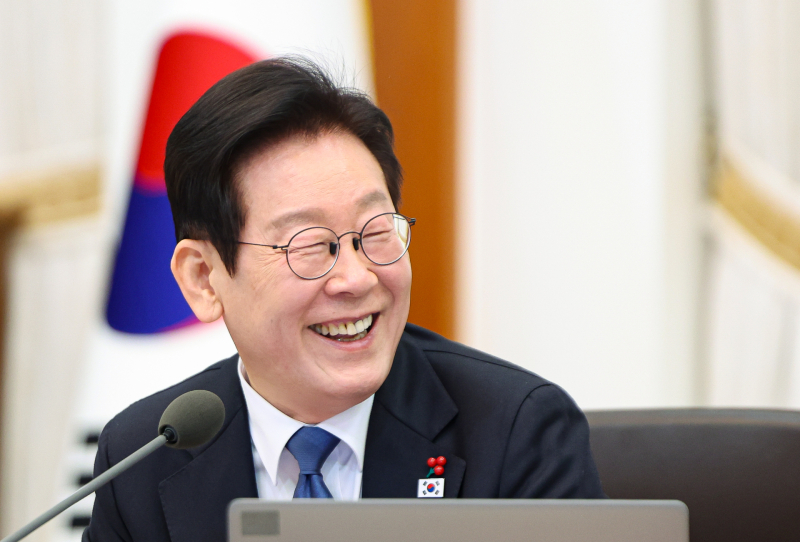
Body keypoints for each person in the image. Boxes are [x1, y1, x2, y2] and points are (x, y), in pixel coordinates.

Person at [83, 57, 604, 542]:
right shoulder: (142, 458)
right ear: (203, 278)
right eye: (310, 245)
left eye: (375, 231)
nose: (356, 278)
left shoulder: (515, 434)